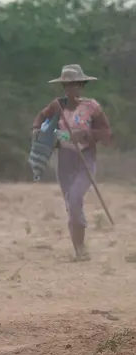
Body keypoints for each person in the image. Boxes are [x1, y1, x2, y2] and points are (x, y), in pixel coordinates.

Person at [30, 64, 112, 261]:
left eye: (75, 85)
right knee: (70, 204)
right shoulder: (57, 105)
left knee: (75, 199)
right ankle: (79, 249)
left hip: (86, 159)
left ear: (82, 85)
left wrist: (85, 134)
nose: (70, 89)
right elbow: (40, 118)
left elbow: (107, 134)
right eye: (67, 86)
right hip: (65, 160)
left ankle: (81, 247)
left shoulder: (91, 107)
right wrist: (38, 132)